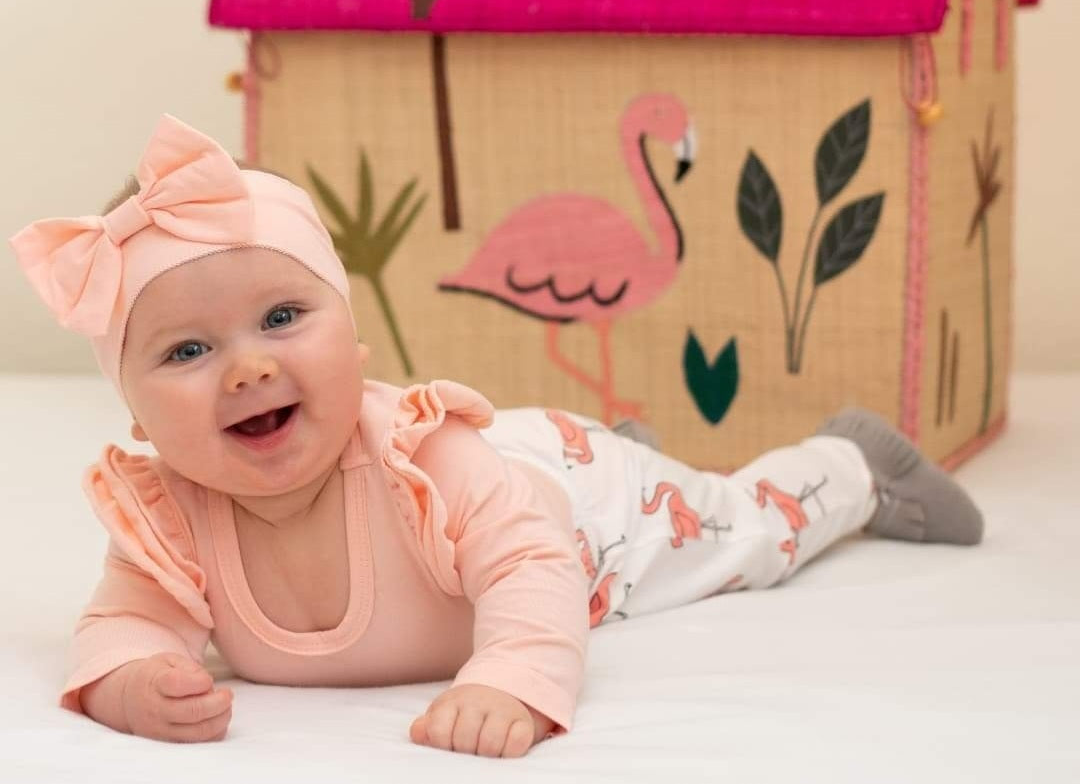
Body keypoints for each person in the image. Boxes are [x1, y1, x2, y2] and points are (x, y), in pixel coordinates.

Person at [9, 115, 983, 758]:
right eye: (186, 348)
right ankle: (628, 444)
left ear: (356, 333)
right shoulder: (170, 517)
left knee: (731, 531)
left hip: (572, 514)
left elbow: (528, 563)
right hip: (527, 465)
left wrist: (514, 677)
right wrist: (130, 682)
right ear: (135, 413)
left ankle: (850, 464)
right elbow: (122, 621)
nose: (249, 367)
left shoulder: (418, 462)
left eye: (280, 319)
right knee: (602, 473)